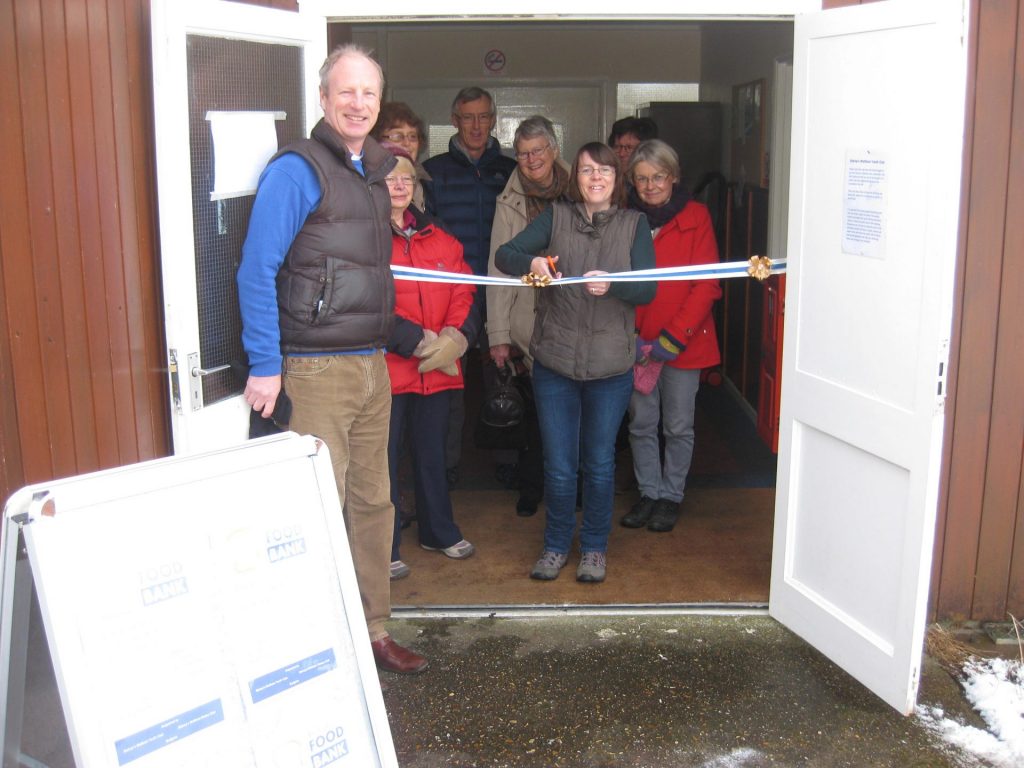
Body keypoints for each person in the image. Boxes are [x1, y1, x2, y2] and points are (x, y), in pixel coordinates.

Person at [237, 44, 427, 675]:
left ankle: (373, 630)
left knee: (375, 503)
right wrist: (266, 364)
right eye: (345, 92)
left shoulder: (375, 170)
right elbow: (256, 268)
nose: (357, 104)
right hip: (314, 371)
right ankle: (312, 642)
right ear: (323, 99)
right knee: (314, 509)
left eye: (368, 93)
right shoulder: (298, 169)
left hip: (371, 366)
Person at [495, 142, 656, 583]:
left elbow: (648, 289)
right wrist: (533, 262)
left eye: (604, 170)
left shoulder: (634, 224)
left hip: (611, 368)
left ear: (616, 178)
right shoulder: (557, 217)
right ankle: (555, 545)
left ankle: (594, 549)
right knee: (560, 464)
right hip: (555, 364)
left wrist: (617, 284)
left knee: (600, 464)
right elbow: (504, 255)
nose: (596, 177)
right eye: (587, 170)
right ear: (576, 177)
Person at [381, 144, 477, 580]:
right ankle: (383, 545)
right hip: (389, 369)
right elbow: (366, 301)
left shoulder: (440, 237)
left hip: (437, 370)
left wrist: (457, 336)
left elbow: (464, 289)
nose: (400, 185)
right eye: (390, 178)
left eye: (408, 178)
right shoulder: (366, 237)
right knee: (379, 460)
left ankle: (437, 531)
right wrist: (418, 342)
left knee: (431, 454)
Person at [620, 139, 722, 533]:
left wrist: (673, 338)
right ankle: (648, 492)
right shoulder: (626, 218)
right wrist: (629, 333)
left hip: (683, 343)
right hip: (638, 342)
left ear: (673, 178)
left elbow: (707, 284)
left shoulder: (697, 216)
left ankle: (670, 496)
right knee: (641, 423)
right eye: (642, 179)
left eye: (658, 177)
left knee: (678, 426)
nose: (650, 186)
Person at [423, 87, 517, 486]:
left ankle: (509, 461)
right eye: (468, 117)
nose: (476, 125)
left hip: (501, 289)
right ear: (455, 120)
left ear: (493, 119)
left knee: (504, 376)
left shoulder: (511, 170)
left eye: (483, 117)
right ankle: (446, 466)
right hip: (453, 293)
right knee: (450, 380)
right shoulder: (434, 171)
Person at [487, 116, 570, 517]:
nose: (531, 159)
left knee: (575, 412)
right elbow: (497, 268)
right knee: (539, 413)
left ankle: (574, 488)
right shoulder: (509, 200)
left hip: (575, 318)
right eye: (522, 153)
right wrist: (499, 334)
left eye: (538, 150)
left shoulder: (581, 188)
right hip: (529, 324)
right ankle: (533, 486)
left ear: (554, 150)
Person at [371, 101, 431, 210]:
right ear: (377, 140)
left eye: (413, 136)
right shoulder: (370, 179)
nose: (407, 143)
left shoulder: (421, 177)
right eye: (397, 136)